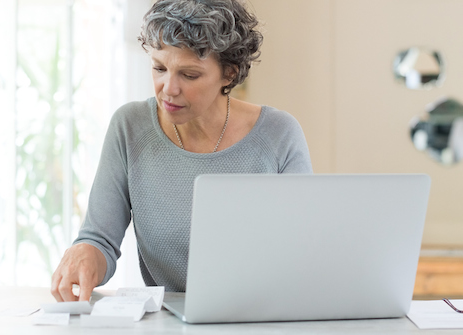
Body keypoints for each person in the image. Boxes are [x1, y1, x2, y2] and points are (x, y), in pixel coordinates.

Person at [51, 0, 313, 302]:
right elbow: (100, 241)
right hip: (168, 323)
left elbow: (302, 253)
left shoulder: (279, 134)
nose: (168, 88)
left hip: (263, 317)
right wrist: (85, 253)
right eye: (159, 68)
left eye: (189, 75)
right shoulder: (129, 127)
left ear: (229, 73)